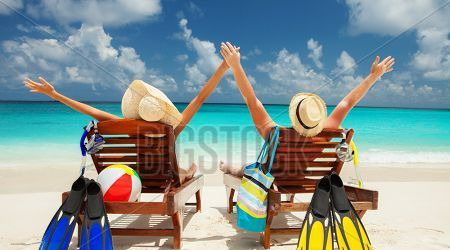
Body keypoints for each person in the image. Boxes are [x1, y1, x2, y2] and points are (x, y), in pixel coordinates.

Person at [24, 59, 232, 182]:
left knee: (182, 170)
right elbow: (200, 98)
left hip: (136, 176)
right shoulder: (171, 129)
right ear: (163, 113)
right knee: (187, 171)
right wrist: (223, 68)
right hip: (165, 178)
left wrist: (57, 95)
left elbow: (91, 111)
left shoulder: (128, 126)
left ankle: (189, 169)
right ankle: (192, 169)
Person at [219, 41, 395, 176]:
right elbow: (347, 103)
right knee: (244, 167)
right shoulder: (326, 133)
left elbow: (251, 101)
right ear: (317, 118)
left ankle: (229, 167)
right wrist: (373, 77)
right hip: (302, 176)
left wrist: (236, 66)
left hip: (272, 178)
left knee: (243, 170)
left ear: (294, 115)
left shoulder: (274, 134)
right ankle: (231, 166)